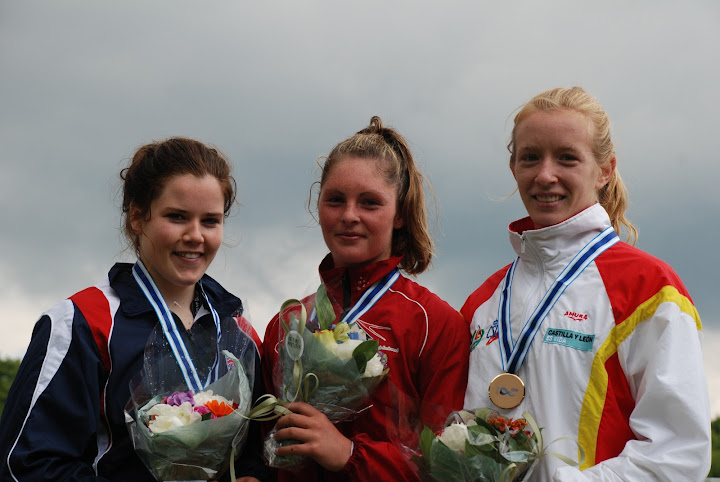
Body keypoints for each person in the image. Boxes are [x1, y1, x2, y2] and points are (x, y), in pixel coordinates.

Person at [462, 87, 711, 480]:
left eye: (567, 158)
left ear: (605, 170)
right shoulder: (482, 302)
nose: (545, 175)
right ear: (513, 167)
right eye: (531, 157)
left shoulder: (648, 287)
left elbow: (678, 455)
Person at [0, 137, 270, 481]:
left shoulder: (240, 333)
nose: (195, 235)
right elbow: (27, 464)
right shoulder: (83, 321)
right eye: (177, 217)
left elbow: (257, 453)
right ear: (137, 218)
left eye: (210, 221)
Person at [262, 116, 470, 481]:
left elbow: (448, 465)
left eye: (370, 203)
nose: (349, 216)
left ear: (400, 214)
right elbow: (263, 448)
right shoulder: (288, 324)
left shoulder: (434, 323)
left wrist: (349, 454)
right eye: (335, 200)